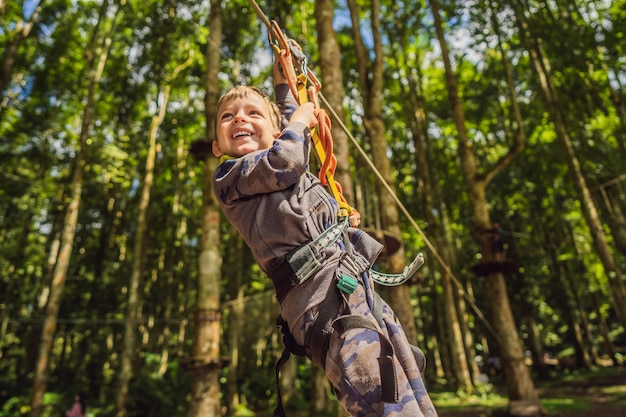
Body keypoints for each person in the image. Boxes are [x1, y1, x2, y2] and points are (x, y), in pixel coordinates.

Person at [211, 59, 437, 417]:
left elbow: (288, 129)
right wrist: (299, 121)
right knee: (381, 397)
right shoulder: (231, 176)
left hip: (354, 287)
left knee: (409, 394)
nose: (240, 119)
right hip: (319, 300)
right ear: (217, 146)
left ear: (273, 130)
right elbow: (285, 158)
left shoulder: (281, 151)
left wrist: (283, 78)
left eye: (253, 113)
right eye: (228, 117)